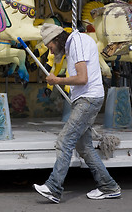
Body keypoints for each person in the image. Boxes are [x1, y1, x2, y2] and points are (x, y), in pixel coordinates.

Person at [33, 24, 121, 203]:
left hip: (88, 99)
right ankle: (109, 186)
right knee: (84, 147)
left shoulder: (77, 43)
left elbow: (82, 78)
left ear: (57, 40)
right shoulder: (75, 43)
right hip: (86, 99)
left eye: (50, 47)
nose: (51, 51)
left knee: (64, 141)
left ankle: (54, 188)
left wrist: (57, 79)